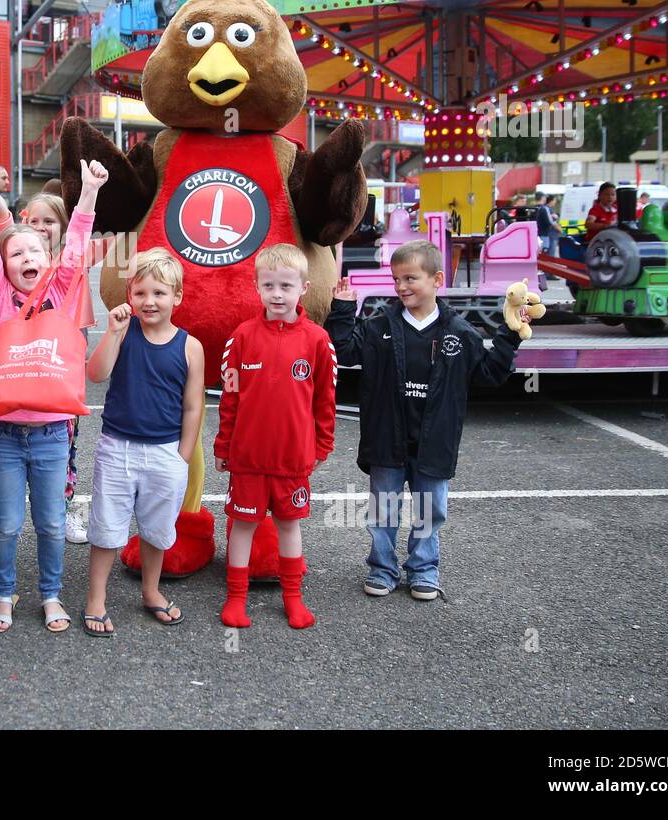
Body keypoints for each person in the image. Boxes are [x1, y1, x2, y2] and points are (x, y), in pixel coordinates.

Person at [0, 143, 106, 634]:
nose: (26, 256)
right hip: (1, 432)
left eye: (35, 251)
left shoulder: (61, 293)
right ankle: (3, 594)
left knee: (48, 522)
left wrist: (87, 194)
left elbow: (78, 246)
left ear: (50, 259)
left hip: (50, 434)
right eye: (15, 252)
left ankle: (49, 593)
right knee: (4, 524)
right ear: (2, 266)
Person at [327, 240, 525, 601]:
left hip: (435, 440)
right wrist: (342, 309)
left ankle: (423, 568)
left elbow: (490, 373)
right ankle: (382, 568)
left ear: (436, 280)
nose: (401, 286)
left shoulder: (459, 333)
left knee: (429, 511)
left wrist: (510, 334)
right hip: (387, 437)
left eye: (410, 278)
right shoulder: (378, 327)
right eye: (396, 279)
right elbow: (343, 350)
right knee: (383, 510)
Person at [82, 247, 204, 636]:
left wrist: (182, 457)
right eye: (140, 293)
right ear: (129, 296)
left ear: (177, 297)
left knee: (157, 530)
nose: (149, 302)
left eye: (159, 293)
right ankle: (95, 599)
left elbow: (192, 407)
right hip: (117, 446)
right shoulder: (124, 332)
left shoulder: (190, 346)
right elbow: (96, 374)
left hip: (166, 452)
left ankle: (151, 591)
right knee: (106, 528)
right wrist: (114, 332)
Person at [215, 243, 336, 630]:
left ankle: (293, 598)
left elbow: (325, 400)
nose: (277, 294)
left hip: (291, 460)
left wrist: (322, 444)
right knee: (243, 526)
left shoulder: (318, 341)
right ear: (257, 287)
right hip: (248, 458)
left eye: (286, 285)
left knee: (289, 526)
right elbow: (229, 398)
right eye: (269, 285)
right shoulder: (242, 337)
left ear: (304, 287)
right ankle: (236, 599)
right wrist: (223, 445)